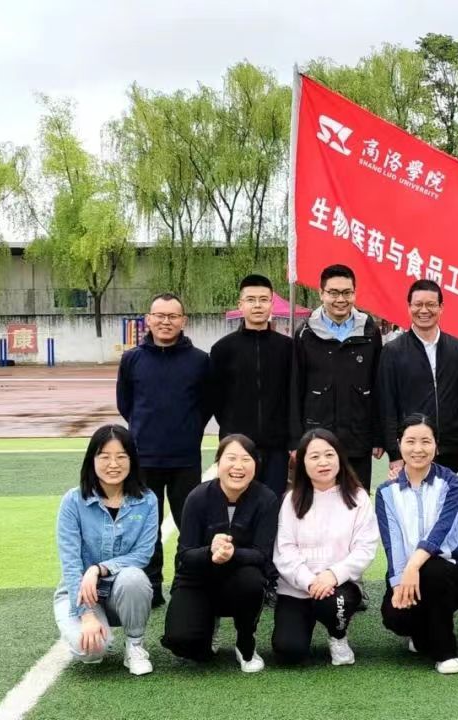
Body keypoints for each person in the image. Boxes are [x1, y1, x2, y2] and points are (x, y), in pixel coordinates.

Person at [116, 292, 212, 607]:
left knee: (190, 526)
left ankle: (185, 586)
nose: (165, 322)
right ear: (149, 319)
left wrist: (188, 430)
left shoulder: (199, 360)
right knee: (146, 528)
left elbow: (207, 404)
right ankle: (151, 587)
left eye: (172, 316)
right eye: (160, 315)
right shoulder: (132, 359)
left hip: (185, 459)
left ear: (183, 321)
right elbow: (125, 404)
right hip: (144, 459)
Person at [161, 434, 279, 672]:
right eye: (231, 458)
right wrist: (210, 552)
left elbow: (262, 555)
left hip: (241, 580)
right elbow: (185, 554)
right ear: (218, 462)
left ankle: (245, 641)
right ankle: (207, 623)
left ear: (256, 464)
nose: (238, 466)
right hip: (198, 580)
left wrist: (232, 554)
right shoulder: (198, 497)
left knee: (252, 580)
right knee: (184, 643)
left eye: (246, 459)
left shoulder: (266, 499)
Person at [53, 425, 159, 675]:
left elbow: (142, 554)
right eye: (104, 456)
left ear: (132, 460)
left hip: (121, 592)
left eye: (121, 456)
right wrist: (87, 614)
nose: (113, 464)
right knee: (91, 650)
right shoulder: (73, 501)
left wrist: (98, 569)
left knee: (134, 577)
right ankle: (89, 627)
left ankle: (135, 646)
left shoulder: (147, 500)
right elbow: (70, 563)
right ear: (92, 460)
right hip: (79, 592)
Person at [272, 429, 379, 666]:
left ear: (340, 457)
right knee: (289, 651)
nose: (323, 462)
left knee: (333, 604)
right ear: (302, 463)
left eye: (329, 454)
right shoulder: (291, 500)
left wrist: (333, 575)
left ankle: (338, 635)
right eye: (314, 456)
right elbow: (284, 550)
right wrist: (310, 581)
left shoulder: (358, 497)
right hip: (298, 588)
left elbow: (365, 548)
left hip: (339, 586)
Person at [375, 414, 458, 674]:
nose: (418, 449)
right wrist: (399, 582)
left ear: (436, 446)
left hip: (451, 570)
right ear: (399, 444)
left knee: (433, 570)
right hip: (408, 573)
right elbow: (392, 543)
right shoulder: (386, 492)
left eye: (426, 441)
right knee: (395, 616)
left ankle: (446, 652)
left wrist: (413, 566)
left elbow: (442, 534)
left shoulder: (452, 483)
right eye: (411, 441)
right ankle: (421, 633)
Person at [291, 264, 384, 490]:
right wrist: (295, 440)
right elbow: (295, 389)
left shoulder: (369, 331)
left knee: (356, 501)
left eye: (346, 292)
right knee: (316, 503)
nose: (340, 299)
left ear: (354, 293)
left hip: (358, 438)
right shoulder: (305, 334)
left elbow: (378, 387)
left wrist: (378, 437)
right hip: (317, 440)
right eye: (333, 293)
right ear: (321, 293)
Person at [210, 274, 294, 498]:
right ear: (241, 304)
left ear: (271, 304)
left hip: (277, 447)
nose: (258, 305)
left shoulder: (288, 348)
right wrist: (231, 428)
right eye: (251, 299)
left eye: (264, 299)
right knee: (237, 504)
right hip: (236, 446)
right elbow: (215, 397)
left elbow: (294, 395)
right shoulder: (222, 349)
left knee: (273, 504)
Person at [378, 279, 458, 474]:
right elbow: (387, 404)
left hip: (450, 448)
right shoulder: (393, 351)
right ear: (409, 307)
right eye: (418, 304)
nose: (424, 310)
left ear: (441, 307)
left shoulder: (456, 348)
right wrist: (394, 453)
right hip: (412, 449)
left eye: (431, 304)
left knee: (449, 493)